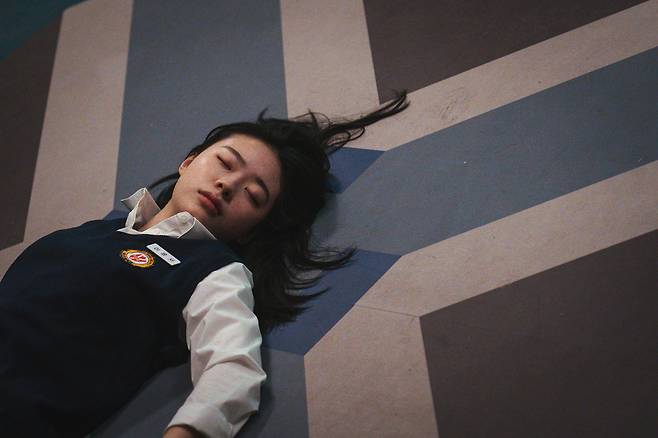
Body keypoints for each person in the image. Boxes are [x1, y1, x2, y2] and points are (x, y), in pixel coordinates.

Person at [0, 90, 410, 438]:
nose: (227, 185)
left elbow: (234, 369)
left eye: (253, 195)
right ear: (188, 161)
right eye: (225, 163)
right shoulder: (97, 230)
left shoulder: (215, 272)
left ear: (252, 229)